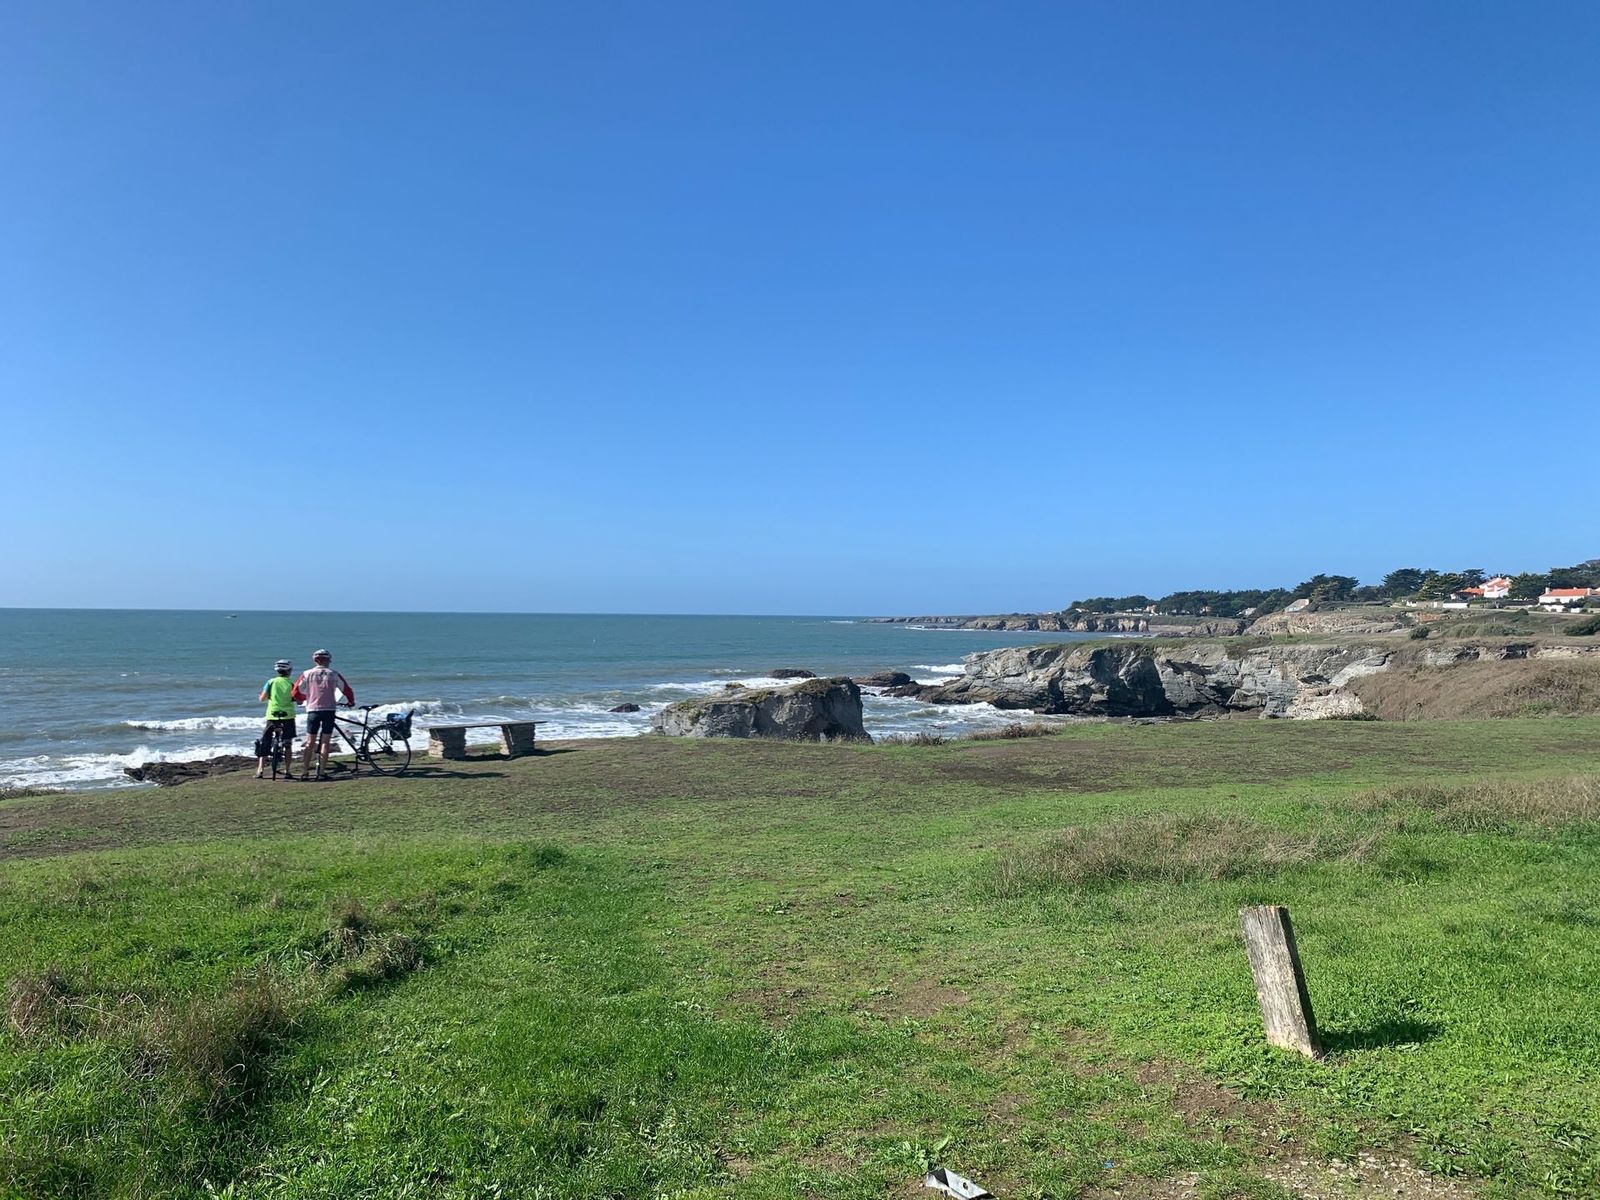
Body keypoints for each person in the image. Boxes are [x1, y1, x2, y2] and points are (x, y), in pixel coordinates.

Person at [292, 649, 355, 780]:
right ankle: (321, 772)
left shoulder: (307, 673)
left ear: (315, 660)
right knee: (325, 742)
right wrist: (351, 702)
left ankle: (305, 771)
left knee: (310, 742)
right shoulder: (334, 674)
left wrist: (305, 698)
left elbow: (295, 692)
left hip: (313, 710)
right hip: (329, 710)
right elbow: (347, 689)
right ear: (328, 660)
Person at [256, 659, 297, 779]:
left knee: (265, 740)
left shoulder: (271, 682)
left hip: (272, 715)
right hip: (288, 715)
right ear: (289, 671)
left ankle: (260, 770)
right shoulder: (292, 683)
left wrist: (261, 696)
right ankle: (288, 771)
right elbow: (297, 699)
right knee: (288, 743)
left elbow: (262, 698)